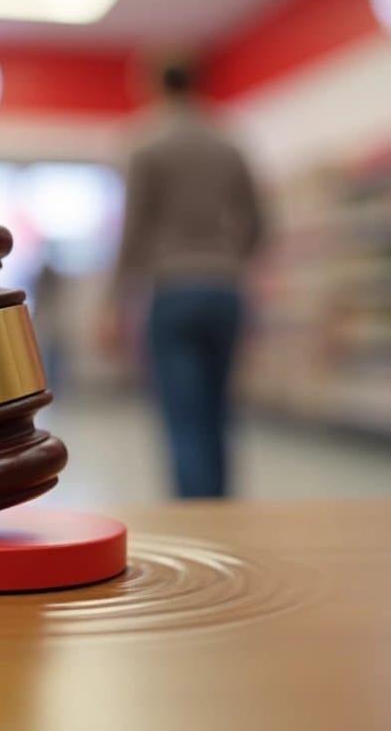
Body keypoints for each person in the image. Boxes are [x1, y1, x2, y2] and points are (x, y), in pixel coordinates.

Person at [105, 63, 265, 499]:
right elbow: (258, 220)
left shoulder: (147, 146)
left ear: (154, 83)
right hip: (224, 290)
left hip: (173, 291)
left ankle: (195, 520)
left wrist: (113, 301)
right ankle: (223, 514)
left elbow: (133, 229)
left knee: (183, 417)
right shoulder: (228, 145)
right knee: (219, 415)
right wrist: (232, 260)